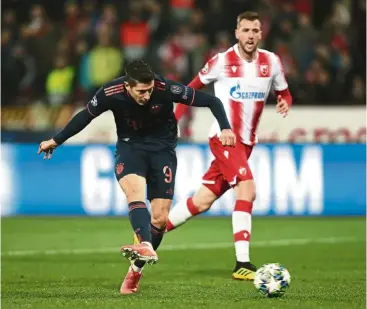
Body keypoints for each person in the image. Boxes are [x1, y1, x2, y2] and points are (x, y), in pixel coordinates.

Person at [37, 60, 235, 294]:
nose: (148, 95)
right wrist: (56, 140)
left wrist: (225, 127)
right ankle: (145, 245)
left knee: (160, 218)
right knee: (135, 192)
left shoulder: (164, 88)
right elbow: (85, 117)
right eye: (142, 91)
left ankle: (136, 271)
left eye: (150, 89)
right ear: (128, 87)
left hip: (163, 151)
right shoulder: (110, 92)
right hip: (130, 149)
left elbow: (212, 101)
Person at [165, 11, 293, 281]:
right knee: (247, 188)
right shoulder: (221, 62)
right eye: (245, 30)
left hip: (246, 145)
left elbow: (284, 91)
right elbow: (189, 90)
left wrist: (285, 100)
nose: (250, 35)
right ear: (237, 33)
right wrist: (172, 120)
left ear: (261, 33)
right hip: (223, 139)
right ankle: (242, 264)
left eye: (255, 30)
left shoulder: (272, 62)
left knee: (202, 201)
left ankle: (148, 232)